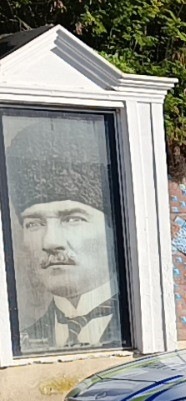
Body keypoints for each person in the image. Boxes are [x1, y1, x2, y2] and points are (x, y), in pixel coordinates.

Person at [7, 116, 123, 353]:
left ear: (113, 230)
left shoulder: (131, 321)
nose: (51, 242)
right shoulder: (28, 337)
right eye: (34, 223)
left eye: (72, 219)